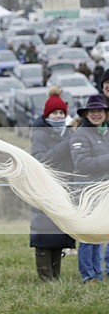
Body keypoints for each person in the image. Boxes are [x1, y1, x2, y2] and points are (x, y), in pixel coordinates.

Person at [29, 88, 75, 281]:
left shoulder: (69, 133)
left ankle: (56, 275)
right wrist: (67, 143)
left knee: (59, 233)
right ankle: (45, 277)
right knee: (44, 235)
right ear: (47, 115)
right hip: (45, 188)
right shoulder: (40, 133)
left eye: (61, 113)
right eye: (55, 113)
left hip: (65, 188)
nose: (58, 116)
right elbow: (42, 159)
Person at [70, 94, 109, 284]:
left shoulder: (106, 133)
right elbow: (82, 163)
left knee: (100, 234)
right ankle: (88, 275)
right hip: (88, 191)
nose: (96, 114)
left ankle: (98, 274)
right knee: (88, 236)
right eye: (92, 111)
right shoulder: (81, 135)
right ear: (86, 114)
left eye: (100, 111)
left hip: (104, 190)